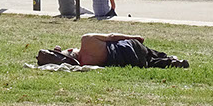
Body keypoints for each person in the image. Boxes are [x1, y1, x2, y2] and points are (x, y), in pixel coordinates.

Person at [48, 33, 189, 68]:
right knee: (149, 52)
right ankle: (170, 58)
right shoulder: (87, 40)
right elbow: (112, 36)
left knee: (149, 62)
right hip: (128, 47)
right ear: (71, 49)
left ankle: (169, 62)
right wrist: (135, 37)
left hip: (127, 60)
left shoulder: (84, 64)